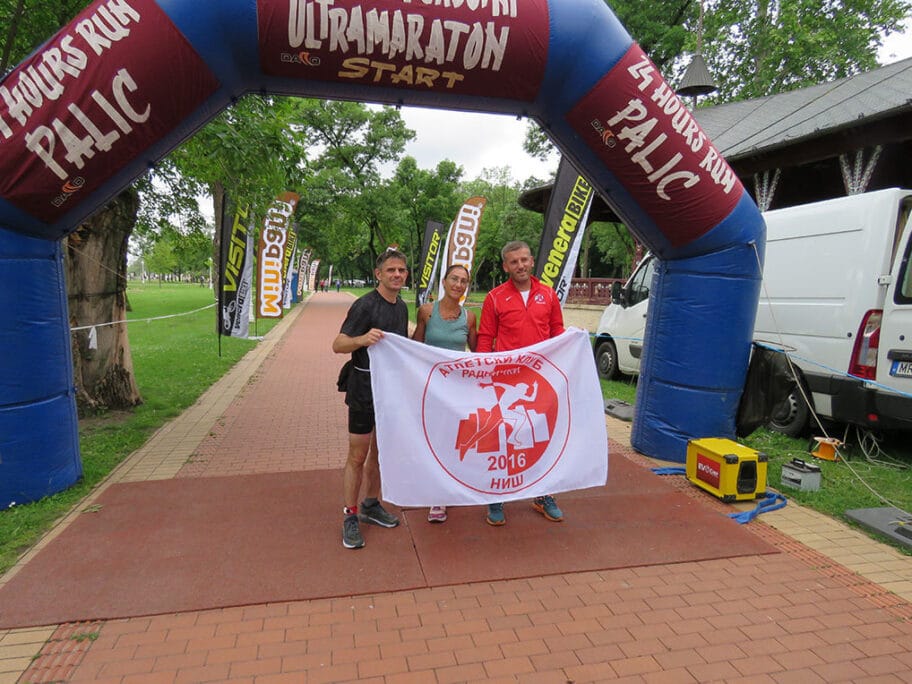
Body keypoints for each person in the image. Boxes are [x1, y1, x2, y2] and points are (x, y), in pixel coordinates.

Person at [476, 240, 566, 526]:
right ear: (505, 266)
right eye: (514, 262)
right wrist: (483, 372)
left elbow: (557, 331)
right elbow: (485, 337)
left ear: (532, 261)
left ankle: (543, 494)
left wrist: (569, 354)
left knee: (541, 436)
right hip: (506, 379)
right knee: (502, 437)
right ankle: (496, 496)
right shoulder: (495, 297)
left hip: (540, 380)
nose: (521, 265)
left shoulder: (548, 294)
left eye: (524, 260)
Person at [332, 249, 410, 549]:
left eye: (401, 270)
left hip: (389, 391)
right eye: (391, 270)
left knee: (380, 452)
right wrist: (362, 339)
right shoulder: (365, 305)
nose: (397, 275)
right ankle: (350, 515)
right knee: (358, 455)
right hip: (363, 390)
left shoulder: (401, 307)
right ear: (379, 274)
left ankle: (371, 503)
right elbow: (338, 344)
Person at [411, 264, 478, 523]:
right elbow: (414, 346)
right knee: (433, 438)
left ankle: (448, 486)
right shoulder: (426, 312)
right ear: (444, 281)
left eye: (463, 281)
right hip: (431, 387)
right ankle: (436, 495)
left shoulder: (469, 318)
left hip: (457, 390)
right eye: (454, 279)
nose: (458, 285)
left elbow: (478, 352)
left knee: (453, 439)